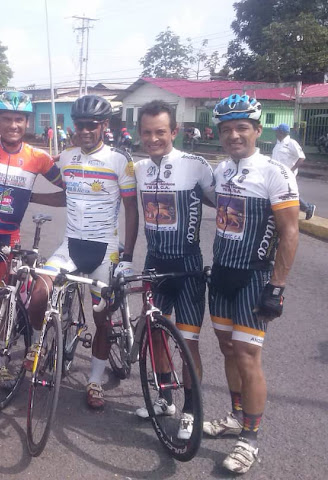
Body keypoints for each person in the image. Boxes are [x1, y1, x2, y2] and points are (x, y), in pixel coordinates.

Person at [205, 94, 300, 473]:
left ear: (258, 130)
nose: (234, 135)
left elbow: (290, 231)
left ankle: (250, 439)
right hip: (222, 272)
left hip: (255, 276)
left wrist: (277, 287)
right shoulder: (221, 170)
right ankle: (235, 417)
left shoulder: (276, 172)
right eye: (226, 129)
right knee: (228, 349)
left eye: (242, 127)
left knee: (247, 355)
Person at [28, 95, 139, 409]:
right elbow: (67, 196)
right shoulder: (67, 157)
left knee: (101, 319)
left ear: (104, 125)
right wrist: (31, 197)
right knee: (38, 294)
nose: (85, 131)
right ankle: (36, 347)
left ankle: (94, 380)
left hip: (105, 251)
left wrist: (128, 257)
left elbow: (132, 210)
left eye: (92, 125)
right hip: (70, 245)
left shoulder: (120, 160)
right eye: (80, 125)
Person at [0, 91, 64, 391]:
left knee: (6, 305)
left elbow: (70, 188)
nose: (13, 125)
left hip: (9, 243)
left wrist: (33, 197)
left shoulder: (38, 158)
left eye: (19, 119)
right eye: (7, 118)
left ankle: (0, 363)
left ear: (27, 122)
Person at [133, 100, 215, 439]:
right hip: (154, 263)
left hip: (187, 267)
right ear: (140, 133)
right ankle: (165, 399)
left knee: (188, 342)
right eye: (147, 132)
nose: (153, 139)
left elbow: (226, 200)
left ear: (174, 131)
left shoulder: (196, 165)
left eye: (160, 132)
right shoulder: (139, 168)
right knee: (155, 335)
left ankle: (191, 411)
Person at [271, 123, 316, 220]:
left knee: (289, 193)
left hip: (287, 174)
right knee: (282, 192)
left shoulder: (291, 143)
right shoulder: (279, 143)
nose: (275, 133)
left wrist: (291, 170)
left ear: (281, 132)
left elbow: (302, 157)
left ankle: (308, 208)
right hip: (277, 173)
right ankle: (305, 208)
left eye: (277, 131)